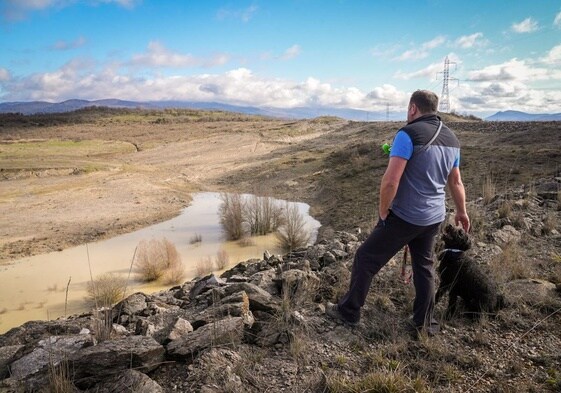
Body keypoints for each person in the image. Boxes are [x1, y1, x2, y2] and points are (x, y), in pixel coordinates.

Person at [327, 89, 470, 336]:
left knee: (365, 258)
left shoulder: (407, 134)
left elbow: (391, 181)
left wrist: (384, 212)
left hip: (405, 216)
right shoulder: (452, 139)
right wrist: (462, 212)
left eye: (408, 108)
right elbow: (455, 182)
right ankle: (424, 324)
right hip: (434, 217)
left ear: (413, 108)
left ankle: (349, 312)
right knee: (424, 267)